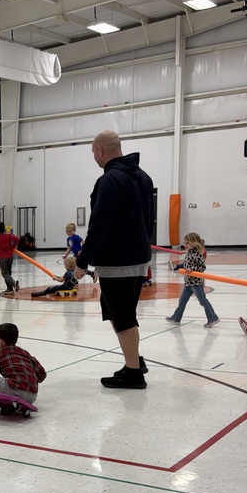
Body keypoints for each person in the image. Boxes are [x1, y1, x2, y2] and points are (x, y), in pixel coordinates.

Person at [74, 130, 154, 389]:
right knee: (121, 314)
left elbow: (99, 224)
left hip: (117, 262)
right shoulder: (142, 177)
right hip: (137, 257)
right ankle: (134, 361)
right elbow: (148, 219)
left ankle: (134, 374)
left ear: (100, 151)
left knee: (122, 317)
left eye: (92, 152)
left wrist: (82, 261)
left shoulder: (110, 180)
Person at [0, 323, 46, 411]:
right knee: (6, 381)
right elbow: (42, 375)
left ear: (0, 341)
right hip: (32, 396)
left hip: (14, 390)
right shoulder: (25, 353)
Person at [165, 232, 219, 328]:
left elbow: (202, 267)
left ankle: (213, 318)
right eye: (184, 243)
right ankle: (176, 318)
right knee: (182, 300)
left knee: (203, 301)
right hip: (188, 283)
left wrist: (192, 269)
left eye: (187, 243)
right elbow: (186, 265)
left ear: (194, 243)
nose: (185, 245)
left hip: (196, 283)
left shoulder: (198, 254)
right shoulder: (189, 253)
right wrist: (176, 267)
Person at [0, 223, 20, 296]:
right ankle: (9, 289)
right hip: (10, 256)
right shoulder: (9, 236)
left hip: (2, 257)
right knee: (9, 272)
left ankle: (13, 283)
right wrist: (13, 246)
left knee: (5, 273)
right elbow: (17, 239)